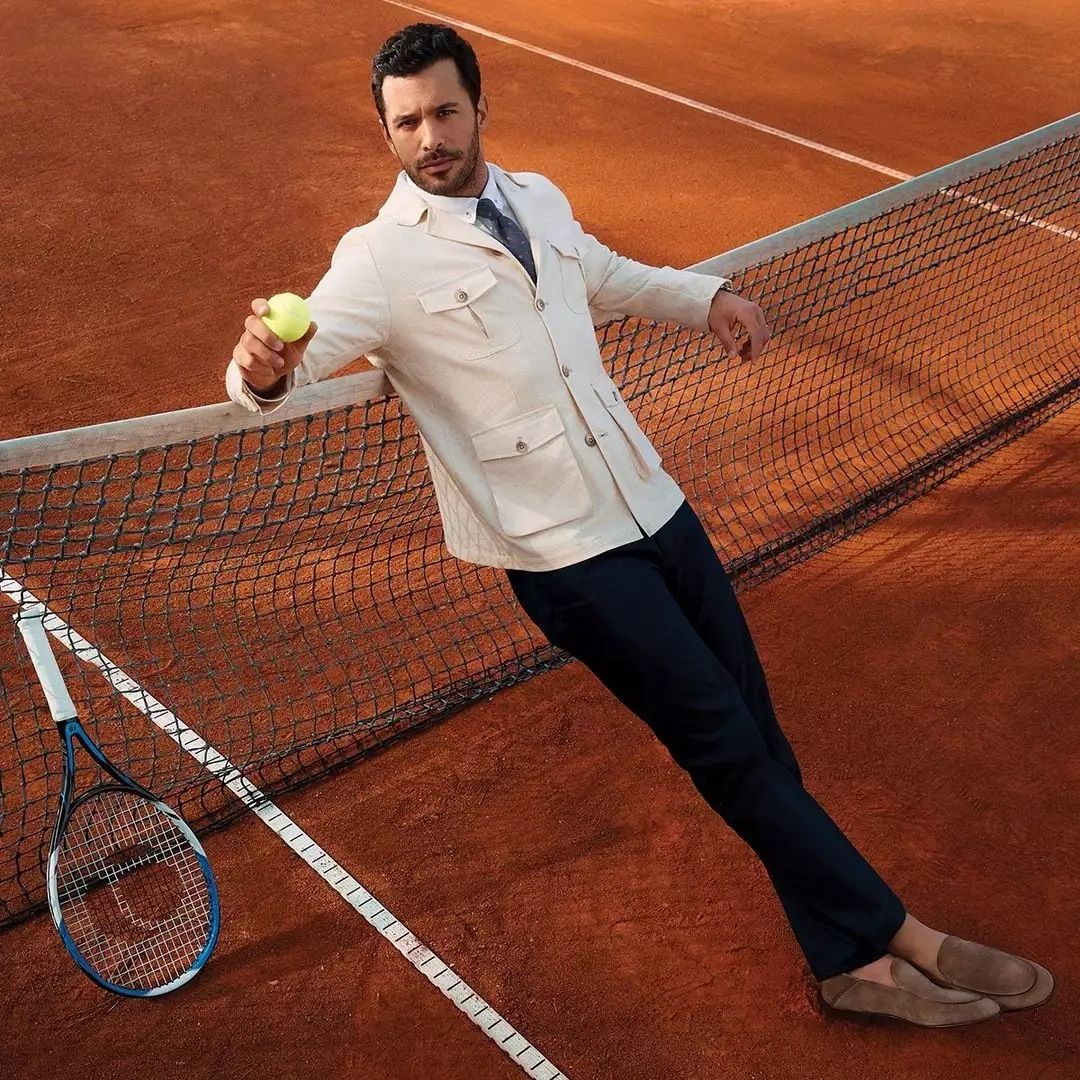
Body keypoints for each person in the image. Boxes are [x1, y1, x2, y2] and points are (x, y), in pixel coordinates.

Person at [226, 22, 1053, 1025]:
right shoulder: (377, 259)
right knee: (722, 742)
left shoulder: (536, 199)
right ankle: (907, 937)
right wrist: (261, 371)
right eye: (407, 123)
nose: (430, 138)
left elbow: (604, 274)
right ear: (387, 133)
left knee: (756, 730)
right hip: (563, 554)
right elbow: (287, 365)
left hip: (650, 499)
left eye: (444, 112)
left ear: (480, 109)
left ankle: (848, 967)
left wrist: (707, 299)